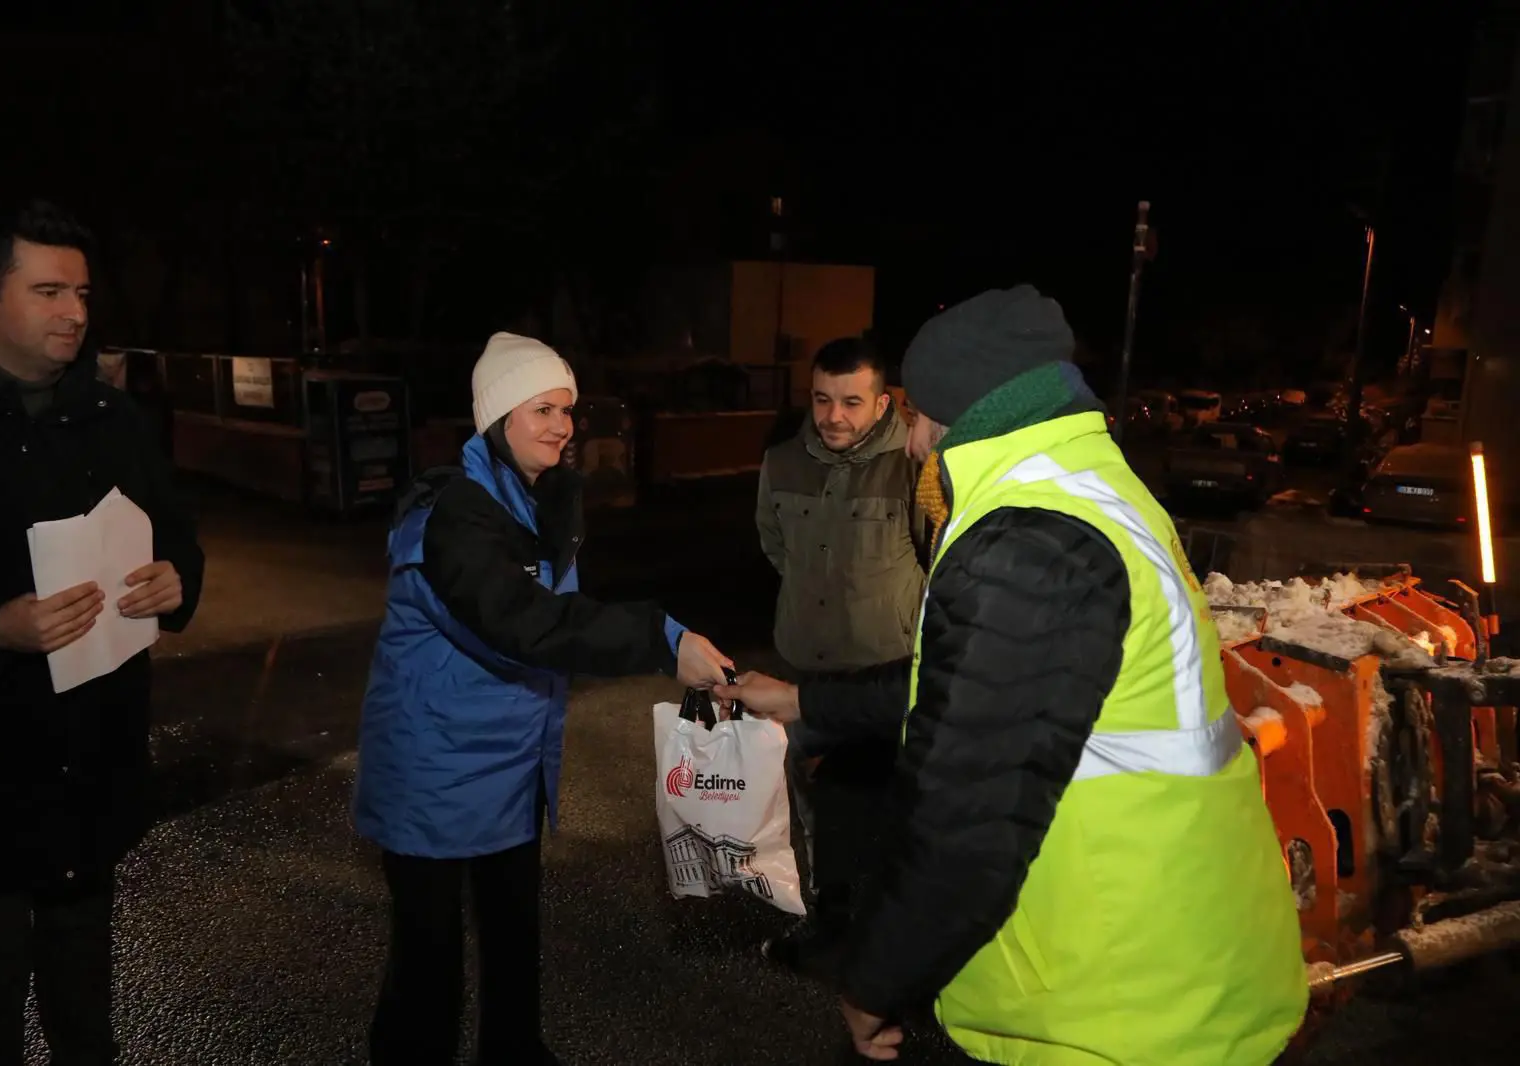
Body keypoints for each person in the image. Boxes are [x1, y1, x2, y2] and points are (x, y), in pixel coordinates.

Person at [719, 286, 1308, 1065]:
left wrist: (874, 982)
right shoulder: (1086, 491)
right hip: (1166, 958)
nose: (912, 443)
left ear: (961, 417)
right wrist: (806, 699)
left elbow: (967, 814)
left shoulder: (1026, 541)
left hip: (1113, 997)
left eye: (920, 417)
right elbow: (974, 686)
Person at [353, 332, 733, 1066]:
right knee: (428, 960)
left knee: (512, 930)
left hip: (510, 759)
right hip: (434, 769)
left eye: (566, 409)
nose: (562, 426)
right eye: (542, 410)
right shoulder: (452, 516)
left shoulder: (539, 497)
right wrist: (661, 639)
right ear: (498, 417)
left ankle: (514, 1050)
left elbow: (556, 619)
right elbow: (524, 625)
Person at [0, 200, 204, 1066]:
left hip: (90, 779)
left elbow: (177, 537)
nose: (75, 313)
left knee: (85, 1016)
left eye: (81, 293)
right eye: (47, 292)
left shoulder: (115, 418)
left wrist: (176, 581)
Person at [753, 336, 926, 973]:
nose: (834, 416)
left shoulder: (914, 470)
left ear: (883, 403)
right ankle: (827, 921)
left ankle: (884, 938)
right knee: (811, 806)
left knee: (880, 810)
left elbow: (934, 560)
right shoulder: (781, 462)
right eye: (822, 399)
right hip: (807, 671)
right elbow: (775, 545)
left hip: (886, 676)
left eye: (852, 402)